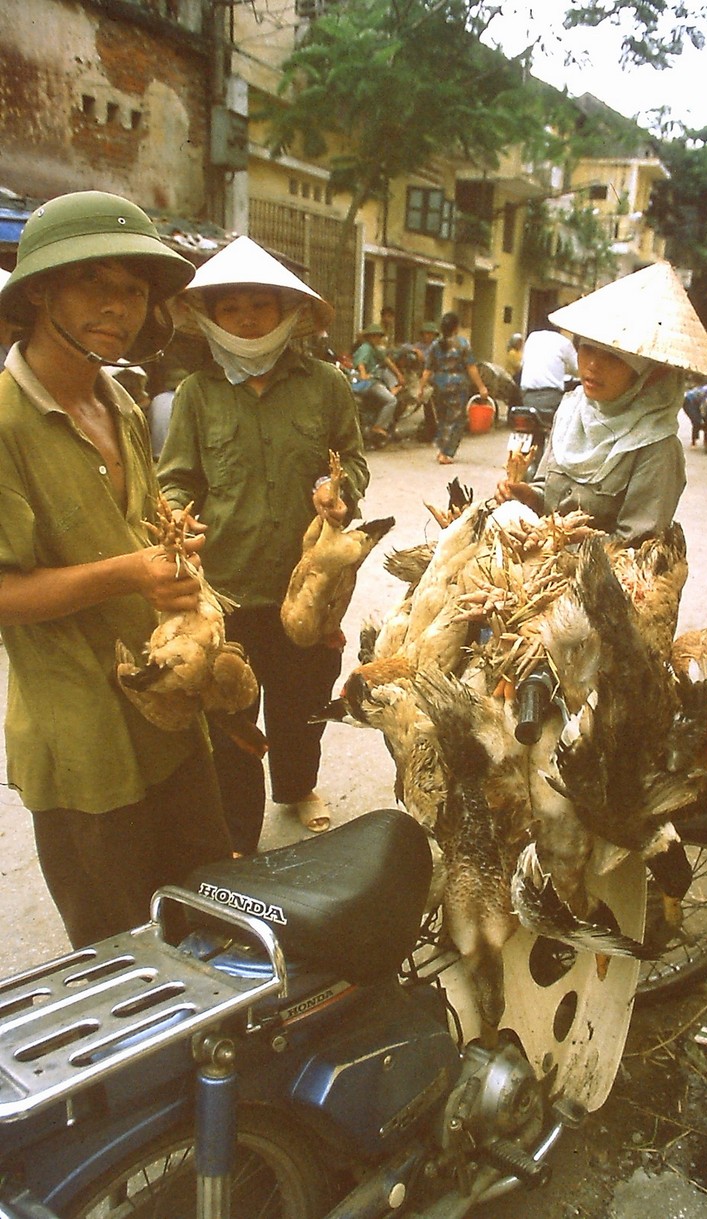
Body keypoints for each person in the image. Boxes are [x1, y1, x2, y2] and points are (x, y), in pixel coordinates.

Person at [0, 190, 232, 949]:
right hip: (85, 747)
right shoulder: (4, 420)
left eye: (134, 289)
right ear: (40, 289)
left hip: (168, 719)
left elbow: (132, 531)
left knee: (206, 927)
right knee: (121, 957)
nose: (119, 306)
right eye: (93, 281)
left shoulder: (121, 400)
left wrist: (169, 550)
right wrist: (130, 571)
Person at [158, 235, 369, 851]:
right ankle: (238, 836)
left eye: (261, 305)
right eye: (232, 307)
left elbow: (351, 460)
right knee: (229, 717)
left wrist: (338, 487)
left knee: (302, 705)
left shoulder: (326, 385)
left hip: (306, 585)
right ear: (211, 318)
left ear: (287, 314)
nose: (247, 318)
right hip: (225, 588)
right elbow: (176, 478)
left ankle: (298, 788)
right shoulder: (196, 394)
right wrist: (177, 518)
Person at [497, 261, 707, 545]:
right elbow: (548, 492)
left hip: (597, 584)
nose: (592, 365)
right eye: (587, 349)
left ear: (647, 375)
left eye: (614, 358)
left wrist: (563, 544)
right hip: (542, 564)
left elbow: (636, 545)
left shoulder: (656, 447)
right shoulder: (571, 411)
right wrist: (530, 497)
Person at [418, 311, 489, 464]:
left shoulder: (435, 345)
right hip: (458, 386)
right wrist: (481, 387)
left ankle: (441, 449)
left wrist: (421, 388)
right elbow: (471, 368)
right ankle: (446, 452)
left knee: (443, 419)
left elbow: (428, 369)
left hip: (440, 385)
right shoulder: (462, 344)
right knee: (457, 420)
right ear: (456, 327)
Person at [351, 322, 401, 445]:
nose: (377, 339)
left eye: (379, 336)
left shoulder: (375, 349)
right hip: (369, 383)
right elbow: (361, 363)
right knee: (391, 400)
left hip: (372, 381)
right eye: (375, 336)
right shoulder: (366, 348)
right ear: (369, 337)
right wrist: (363, 375)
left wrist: (399, 375)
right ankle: (379, 426)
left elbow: (386, 361)